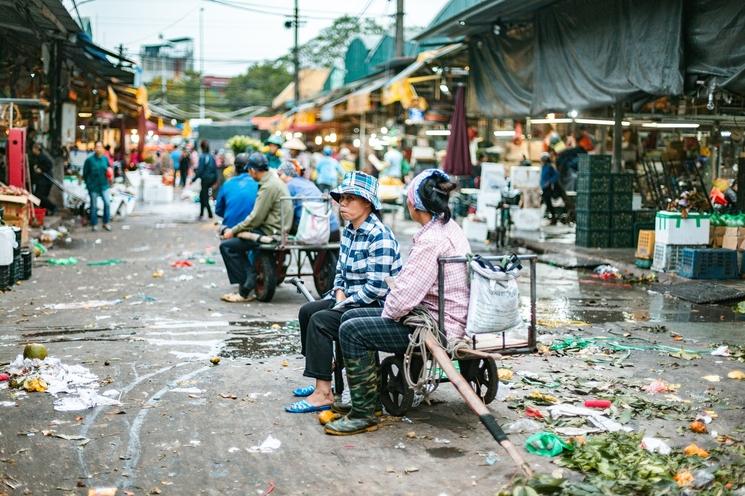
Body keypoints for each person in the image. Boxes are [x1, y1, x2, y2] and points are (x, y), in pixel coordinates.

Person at [323, 169, 470, 435]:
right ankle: (369, 397)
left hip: (437, 326)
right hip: (444, 315)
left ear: (414, 204)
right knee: (350, 317)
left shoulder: (431, 240)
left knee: (352, 329)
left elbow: (401, 301)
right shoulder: (448, 226)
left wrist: (388, 310)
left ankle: (364, 413)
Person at [285, 171, 402, 414]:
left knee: (320, 321)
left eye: (351, 198)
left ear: (367, 203)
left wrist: (345, 303)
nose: (343, 204)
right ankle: (323, 376)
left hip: (375, 306)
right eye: (342, 198)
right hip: (350, 301)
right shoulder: (349, 230)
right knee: (307, 312)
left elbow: (376, 288)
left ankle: (323, 394)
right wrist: (339, 295)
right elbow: (340, 271)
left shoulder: (379, 235)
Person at [219, 153, 293, 302]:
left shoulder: (268, 186)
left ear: (252, 170)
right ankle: (249, 277)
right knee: (238, 238)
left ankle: (246, 285)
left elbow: (255, 218)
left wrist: (233, 231)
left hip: (270, 231)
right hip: (277, 227)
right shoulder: (273, 180)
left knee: (227, 246)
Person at [277, 160, 340, 241]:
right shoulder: (308, 182)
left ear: (286, 174)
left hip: (312, 231)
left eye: (280, 175)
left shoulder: (289, 186)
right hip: (333, 227)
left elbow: (286, 212)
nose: (279, 178)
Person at [215, 153, 259, 229]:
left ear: (235, 168)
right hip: (254, 229)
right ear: (252, 168)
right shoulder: (259, 184)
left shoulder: (227, 184)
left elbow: (218, 210)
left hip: (230, 229)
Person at [83, 141, 112, 232]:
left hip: (104, 185)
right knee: (94, 206)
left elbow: (109, 169)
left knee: (107, 203)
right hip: (93, 186)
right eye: (97, 147)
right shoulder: (89, 160)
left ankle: (106, 222)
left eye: (100, 147)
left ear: (102, 148)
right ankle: (94, 224)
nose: (98, 148)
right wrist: (88, 185)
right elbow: (85, 174)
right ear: (94, 148)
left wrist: (110, 177)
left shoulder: (105, 159)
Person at [539, 152, 568, 225]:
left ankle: (553, 217)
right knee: (546, 202)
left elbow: (556, 175)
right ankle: (552, 217)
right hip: (544, 188)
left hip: (548, 188)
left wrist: (550, 182)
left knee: (548, 202)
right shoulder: (543, 167)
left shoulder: (549, 167)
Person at [30, 144, 57, 214]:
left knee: (39, 196)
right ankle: (44, 211)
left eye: (33, 149)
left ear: (37, 149)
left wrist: (41, 170)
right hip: (40, 181)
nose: (32, 151)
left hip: (45, 181)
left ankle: (52, 207)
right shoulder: (36, 157)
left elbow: (50, 165)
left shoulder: (43, 157)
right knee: (38, 197)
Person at [195, 140, 218, 220]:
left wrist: (194, 178)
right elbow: (215, 169)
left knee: (204, 197)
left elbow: (200, 170)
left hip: (205, 179)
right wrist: (216, 180)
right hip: (211, 179)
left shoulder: (202, 157)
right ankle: (204, 214)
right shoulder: (211, 156)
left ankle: (209, 214)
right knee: (203, 196)